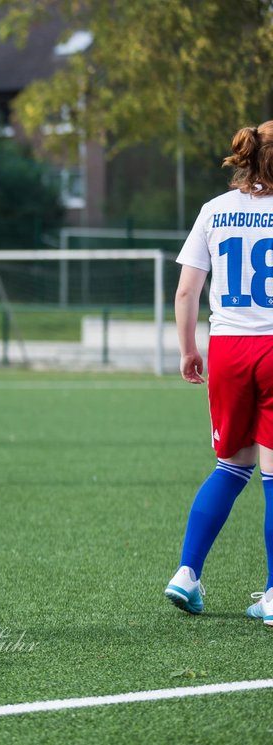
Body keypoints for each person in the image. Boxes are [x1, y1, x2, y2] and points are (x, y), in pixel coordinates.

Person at [165, 120, 273, 627]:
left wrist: (189, 350)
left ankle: (187, 573)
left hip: (228, 347)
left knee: (231, 466)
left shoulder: (214, 210)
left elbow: (186, 292)